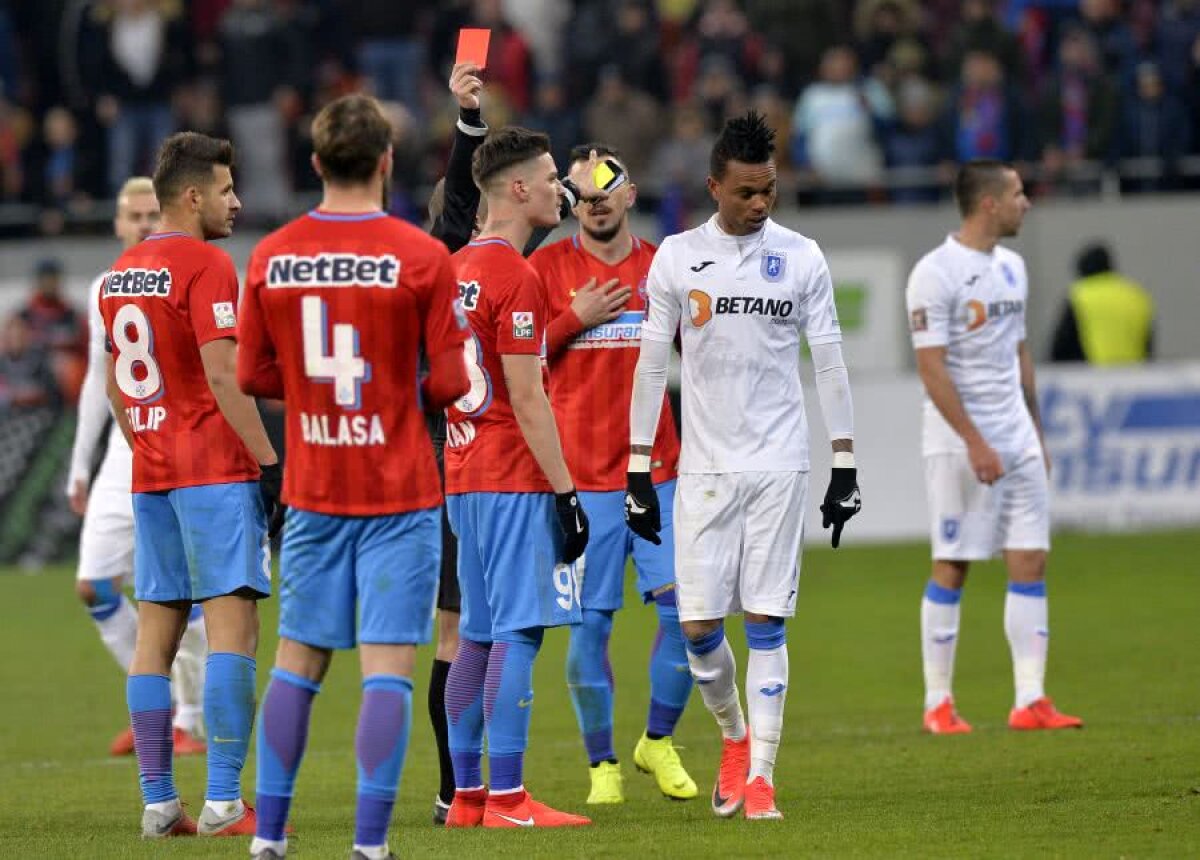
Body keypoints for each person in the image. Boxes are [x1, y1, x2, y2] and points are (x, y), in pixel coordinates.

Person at [237, 93, 469, 860]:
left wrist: (312, 396)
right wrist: (397, 388)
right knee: (388, 674)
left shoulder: (272, 255)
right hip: (399, 493)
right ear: (385, 161)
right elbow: (450, 384)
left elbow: (252, 372)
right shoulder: (421, 257)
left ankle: (268, 837)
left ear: (313, 163)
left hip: (313, 490)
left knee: (297, 666)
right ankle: (368, 846)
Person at [625, 110, 862, 821]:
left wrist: (843, 463)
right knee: (697, 628)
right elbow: (649, 365)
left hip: (779, 463)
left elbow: (830, 361)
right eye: (746, 193)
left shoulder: (803, 257)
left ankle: (760, 774)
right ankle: (732, 736)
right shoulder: (675, 257)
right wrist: (638, 466)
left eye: (770, 191)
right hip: (702, 469)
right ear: (713, 187)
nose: (760, 205)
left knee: (765, 619)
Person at [99, 131, 283, 839]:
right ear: (193, 195)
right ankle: (225, 804)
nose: (238, 202)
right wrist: (268, 462)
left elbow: (120, 384)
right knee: (235, 628)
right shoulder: (206, 265)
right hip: (212, 469)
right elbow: (220, 373)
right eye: (229, 190)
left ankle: (157, 803)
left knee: (157, 636)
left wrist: (144, 443)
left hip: (152, 474)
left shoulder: (120, 276)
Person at [529, 143, 696, 805]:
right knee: (589, 633)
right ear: (571, 200)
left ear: (630, 195)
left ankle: (657, 740)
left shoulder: (663, 269)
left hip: (658, 475)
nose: (596, 200)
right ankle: (602, 766)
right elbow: (512, 356)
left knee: (689, 619)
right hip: (582, 486)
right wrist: (574, 319)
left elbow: (703, 356)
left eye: (608, 187)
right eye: (583, 191)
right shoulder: (544, 270)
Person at [442, 126, 591, 829]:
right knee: (519, 632)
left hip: (464, 475)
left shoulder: (457, 269)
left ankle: (468, 797)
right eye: (554, 175)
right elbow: (527, 395)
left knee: (475, 635)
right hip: (511, 475)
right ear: (520, 188)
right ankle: (508, 798)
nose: (564, 188)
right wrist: (566, 493)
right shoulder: (516, 275)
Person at [904, 158, 1083, 735]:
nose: (1026, 202)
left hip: (1017, 437)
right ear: (989, 204)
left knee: (1031, 557)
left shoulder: (1013, 267)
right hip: (960, 443)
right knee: (953, 563)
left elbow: (1019, 351)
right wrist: (975, 441)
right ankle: (938, 702)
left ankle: (1029, 699)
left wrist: (1035, 430)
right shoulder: (935, 273)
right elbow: (931, 369)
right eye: (1018, 193)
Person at [65, 176, 207, 759]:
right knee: (94, 584)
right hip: (126, 454)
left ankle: (190, 720)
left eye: (154, 212)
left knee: (189, 590)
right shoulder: (106, 287)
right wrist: (80, 464)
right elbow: (102, 386)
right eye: (135, 215)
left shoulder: (193, 273)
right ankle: (167, 706)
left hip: (184, 450)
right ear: (119, 224)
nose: (146, 222)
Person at [1050, 242, 1154, 365]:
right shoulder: (1136, 294)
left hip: (1096, 378)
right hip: (1135, 376)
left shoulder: (1080, 295)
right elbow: (1148, 342)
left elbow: (1061, 346)